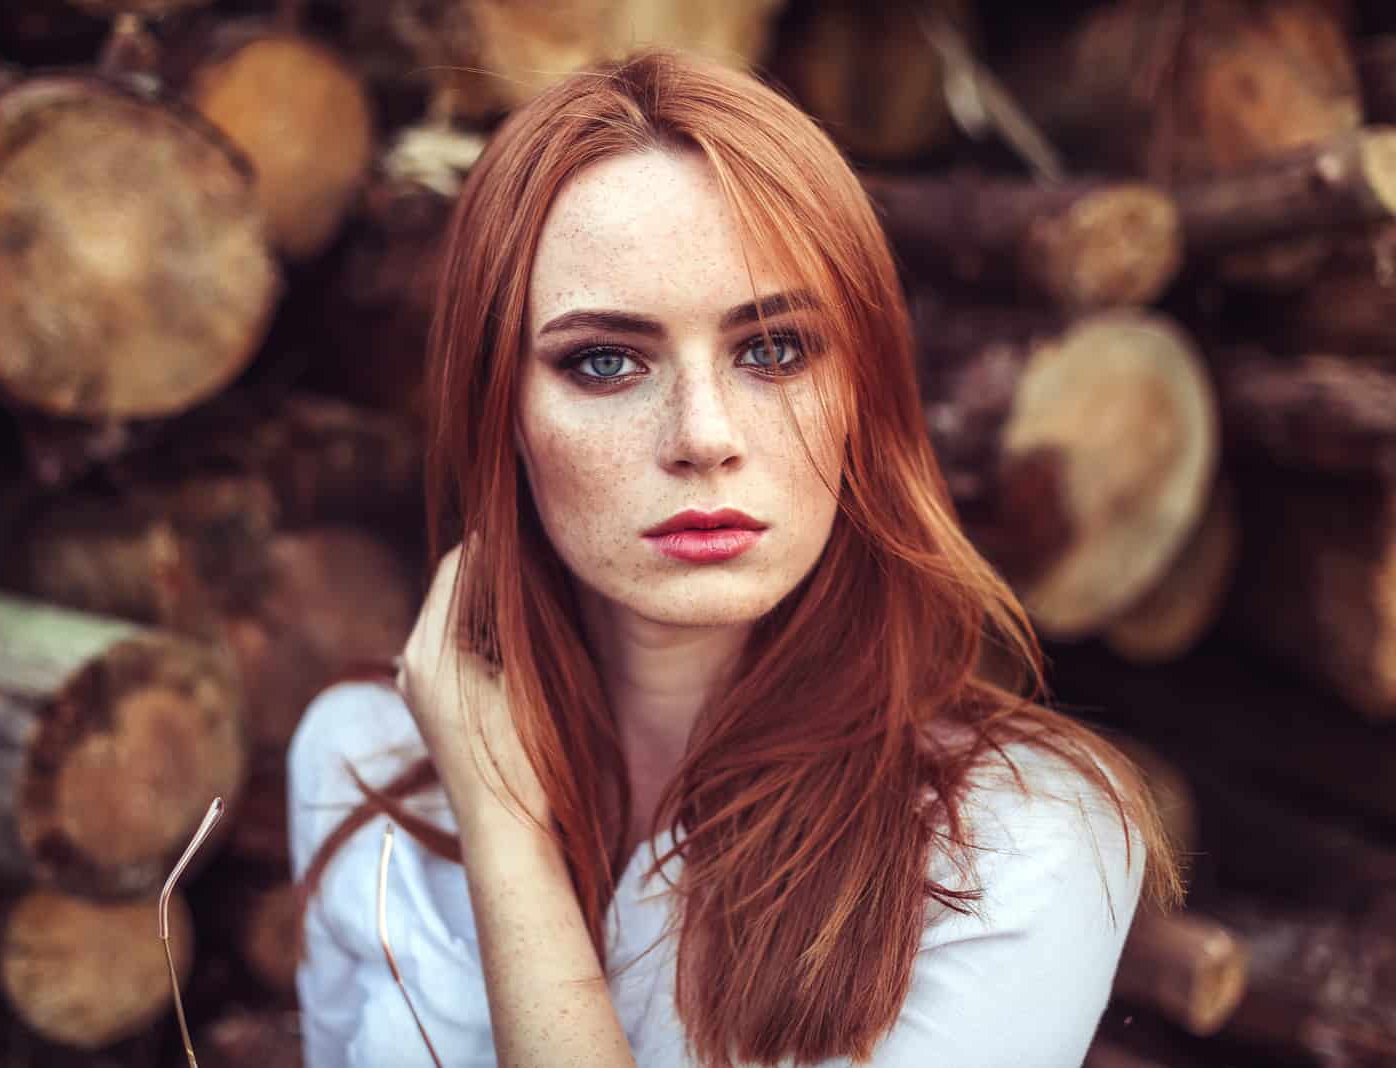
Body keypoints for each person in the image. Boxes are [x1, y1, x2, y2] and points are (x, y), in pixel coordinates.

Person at [287, 46, 1185, 1068]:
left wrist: (507, 840)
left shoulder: (1016, 841)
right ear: (502, 414)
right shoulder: (363, 759)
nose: (703, 434)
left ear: (862, 391)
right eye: (604, 360)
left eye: (771, 350)